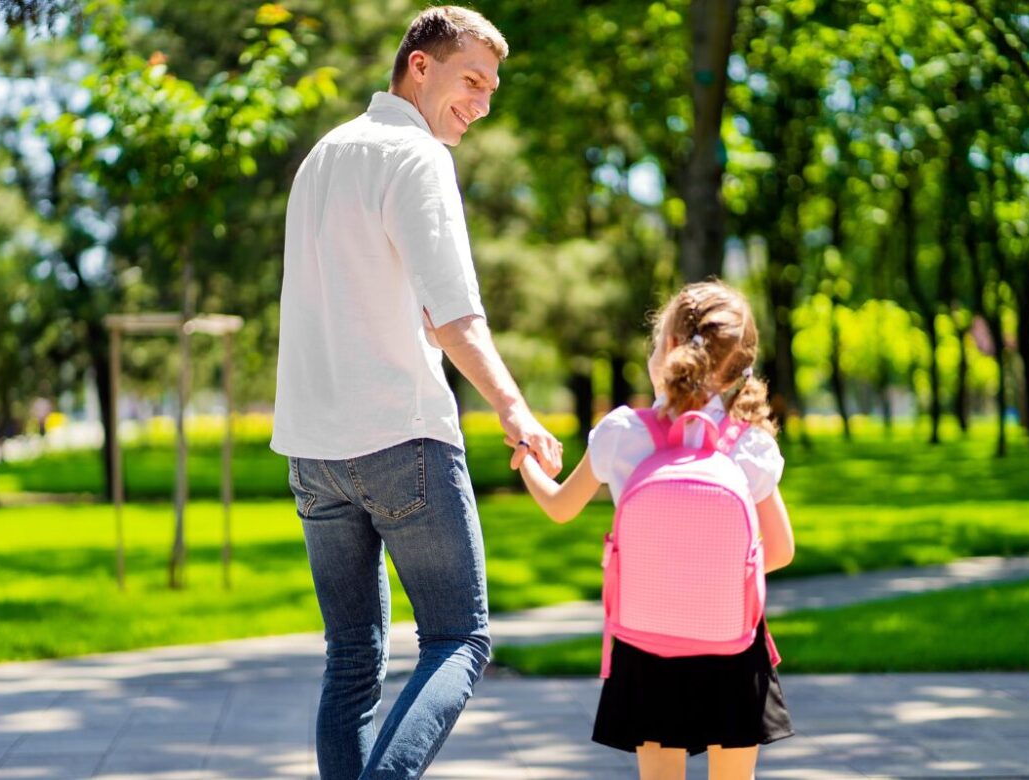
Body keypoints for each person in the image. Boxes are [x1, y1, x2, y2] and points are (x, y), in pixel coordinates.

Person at [270, 7, 563, 779]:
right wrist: (515, 409)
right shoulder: (417, 156)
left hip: (312, 452)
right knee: (458, 639)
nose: (483, 102)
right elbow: (454, 315)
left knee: (352, 660)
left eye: (493, 88)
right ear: (419, 66)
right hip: (401, 438)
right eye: (472, 80)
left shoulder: (324, 155)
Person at [514, 280, 795, 780]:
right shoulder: (747, 444)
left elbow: (559, 507)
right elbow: (780, 551)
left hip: (647, 644)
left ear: (668, 348)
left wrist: (528, 464)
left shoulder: (624, 433)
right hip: (732, 644)